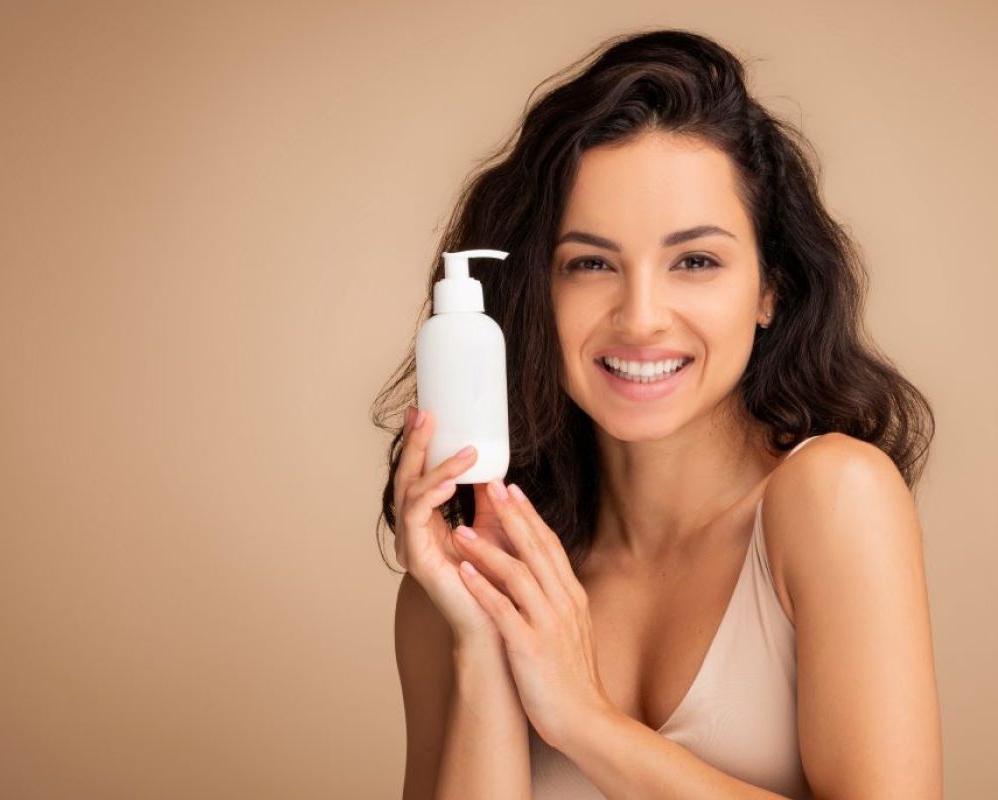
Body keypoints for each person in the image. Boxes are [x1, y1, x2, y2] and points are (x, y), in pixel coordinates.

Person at [375, 28, 942, 800]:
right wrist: (479, 642)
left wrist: (582, 719)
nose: (641, 318)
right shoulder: (454, 586)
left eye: (696, 261)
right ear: (538, 295)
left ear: (771, 286)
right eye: (591, 264)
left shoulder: (834, 498)